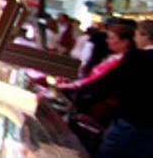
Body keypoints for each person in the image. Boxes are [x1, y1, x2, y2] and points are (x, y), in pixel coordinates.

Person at [59, 23, 153, 158]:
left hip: (128, 123)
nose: (135, 39)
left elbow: (107, 85)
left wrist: (82, 102)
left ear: (146, 36)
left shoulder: (137, 57)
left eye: (137, 35)